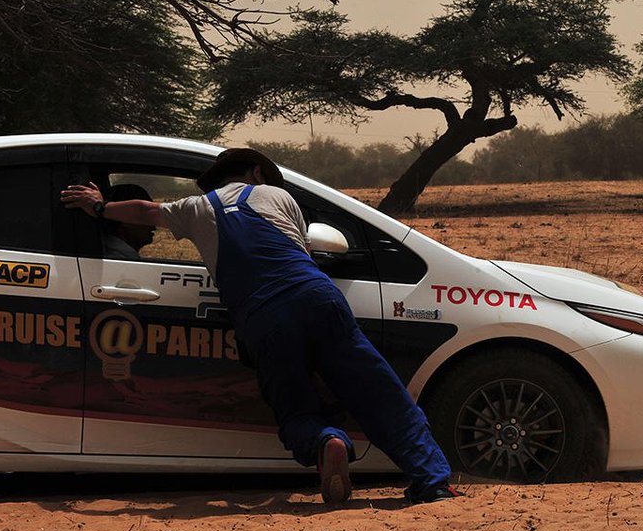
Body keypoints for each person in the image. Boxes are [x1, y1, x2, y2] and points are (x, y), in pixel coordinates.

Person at [61, 148, 459, 505]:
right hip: (316, 296)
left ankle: (326, 441)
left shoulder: (197, 207)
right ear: (255, 173)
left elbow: (145, 212)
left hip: (263, 315)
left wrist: (99, 206)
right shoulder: (278, 196)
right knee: (378, 392)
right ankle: (432, 482)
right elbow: (304, 249)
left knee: (293, 403)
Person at [100, 184, 157, 260]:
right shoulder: (120, 259)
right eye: (146, 218)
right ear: (125, 220)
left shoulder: (109, 253)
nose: (153, 226)